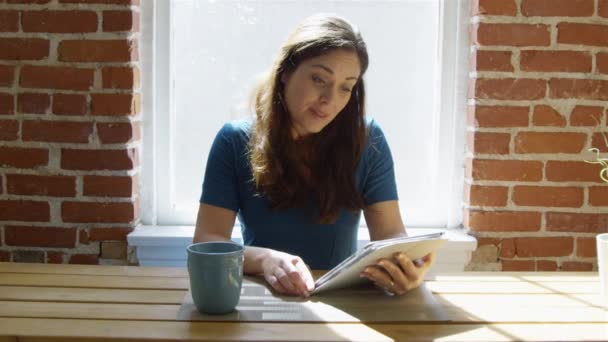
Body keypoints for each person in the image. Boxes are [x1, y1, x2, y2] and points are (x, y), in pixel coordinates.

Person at [193, 13, 435, 297]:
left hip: (342, 301)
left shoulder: (368, 140)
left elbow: (391, 234)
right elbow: (207, 241)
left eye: (346, 87)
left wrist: (406, 263)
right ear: (285, 72)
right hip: (262, 300)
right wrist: (265, 259)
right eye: (320, 79)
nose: (330, 100)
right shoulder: (234, 140)